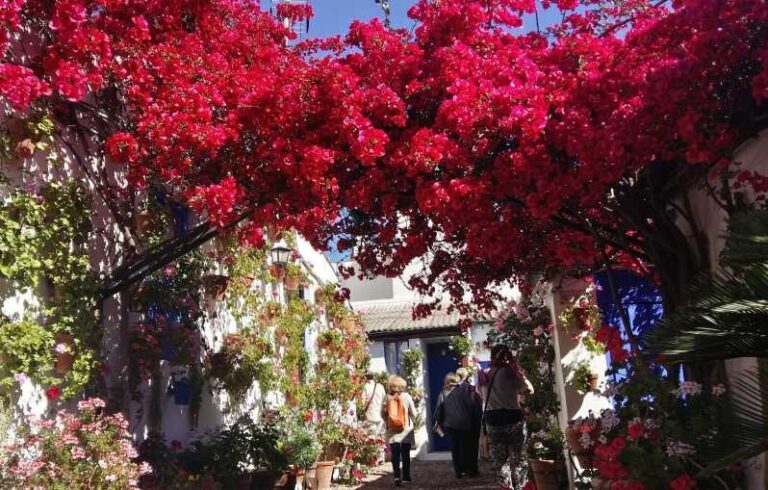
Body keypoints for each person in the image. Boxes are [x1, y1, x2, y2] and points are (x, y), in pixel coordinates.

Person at [480, 345, 535, 490]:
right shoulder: (510, 373)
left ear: (492, 357)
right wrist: (521, 375)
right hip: (513, 419)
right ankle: (521, 487)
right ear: (507, 356)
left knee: (501, 461)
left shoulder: (484, 374)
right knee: (519, 459)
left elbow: (479, 393)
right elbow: (529, 389)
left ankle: (506, 487)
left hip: (493, 421)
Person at [433, 371, 481, 479]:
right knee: (465, 446)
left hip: (450, 424)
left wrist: (437, 421)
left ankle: (458, 471)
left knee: (455, 447)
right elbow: (470, 404)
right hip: (464, 423)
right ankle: (467, 469)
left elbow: (438, 410)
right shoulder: (463, 391)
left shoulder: (443, 393)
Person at [383, 374, 417, 486]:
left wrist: (389, 421)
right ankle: (406, 477)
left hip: (392, 430)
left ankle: (397, 476)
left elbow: (382, 413)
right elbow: (414, 413)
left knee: (395, 454)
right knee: (406, 454)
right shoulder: (406, 396)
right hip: (406, 429)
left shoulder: (387, 397)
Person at [456, 367, 483, 477]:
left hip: (459, 422)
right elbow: (478, 405)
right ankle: (472, 469)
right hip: (473, 421)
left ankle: (462, 468)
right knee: (473, 446)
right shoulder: (473, 389)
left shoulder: (453, 390)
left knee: (462, 445)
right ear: (466, 376)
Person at [361, 370, 387, 463]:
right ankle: (381, 458)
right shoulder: (380, 386)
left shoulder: (365, 387)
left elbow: (362, 403)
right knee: (380, 437)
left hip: (370, 416)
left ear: (365, 377)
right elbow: (385, 401)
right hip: (380, 417)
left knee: (371, 438)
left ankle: (373, 459)